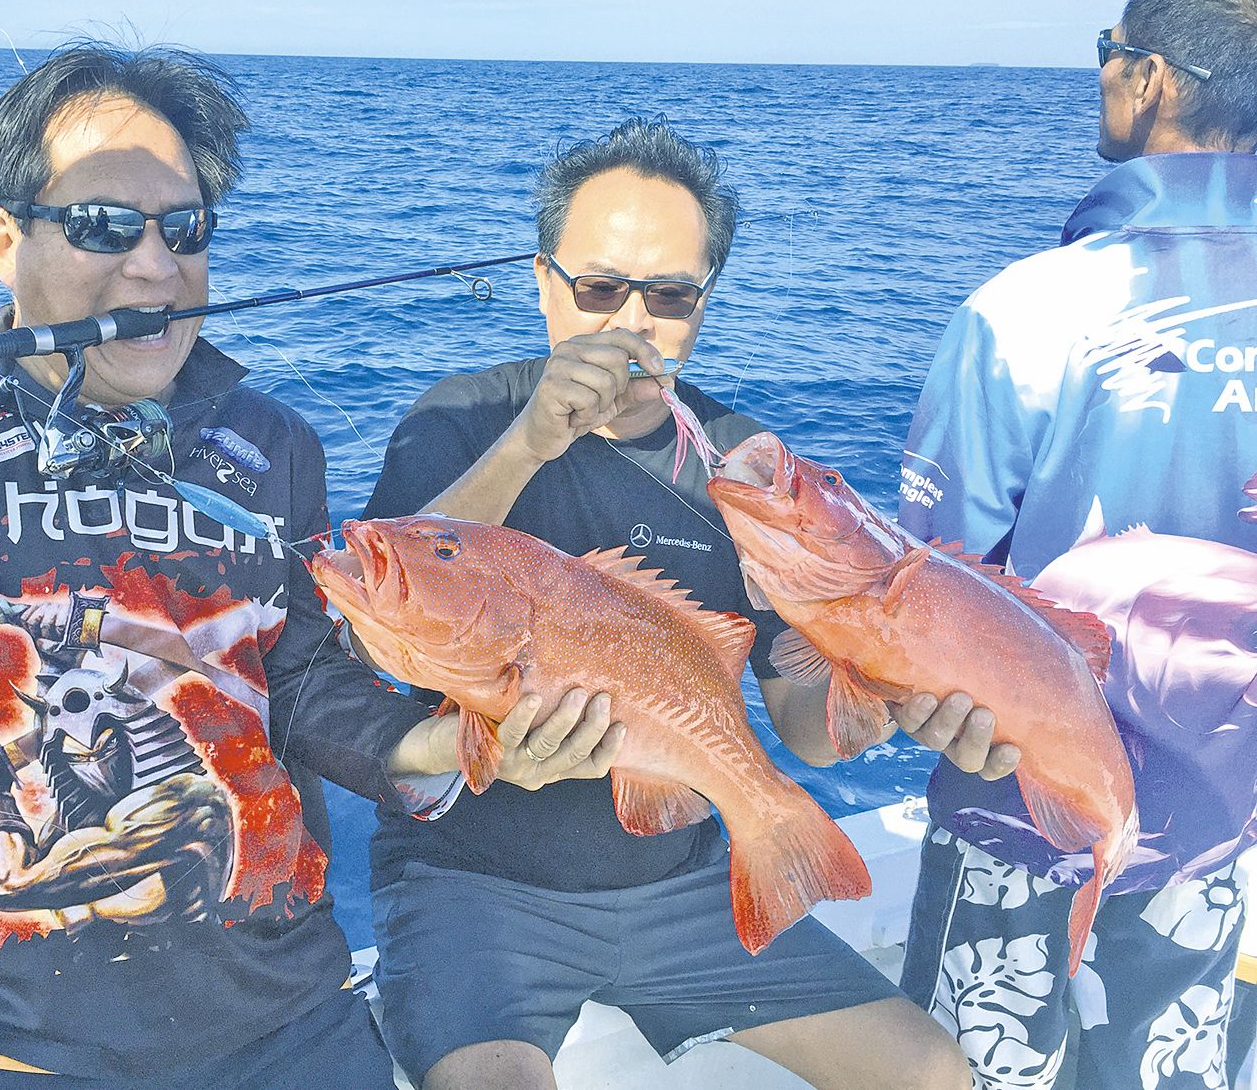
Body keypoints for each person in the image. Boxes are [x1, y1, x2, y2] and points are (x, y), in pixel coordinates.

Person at [0, 41, 595, 1090]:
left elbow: (297, 680)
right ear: (3, 240)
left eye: (184, 228)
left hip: (288, 1018)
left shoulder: (272, 443)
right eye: (104, 224)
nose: (157, 266)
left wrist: (445, 745)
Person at [359, 117, 1010, 1090]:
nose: (631, 323)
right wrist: (530, 442)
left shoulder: (743, 469)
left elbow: (806, 729)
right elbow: (377, 635)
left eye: (668, 295)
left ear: (705, 302)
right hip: (475, 885)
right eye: (599, 288)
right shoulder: (462, 420)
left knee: (927, 1069)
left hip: (686, 881)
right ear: (543, 282)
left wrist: (885, 692)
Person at [896, 0, 1257, 1090]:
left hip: (1024, 823)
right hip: (1223, 833)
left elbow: (931, 591)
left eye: (1111, 50)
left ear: (1149, 78)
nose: (1103, 70)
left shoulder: (1027, 310)